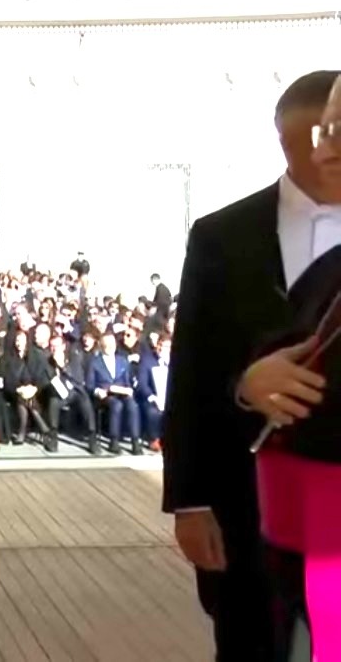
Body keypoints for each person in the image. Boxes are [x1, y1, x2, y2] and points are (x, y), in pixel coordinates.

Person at [162, 69, 341, 661]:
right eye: (306, 142)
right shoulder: (221, 235)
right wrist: (188, 502)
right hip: (247, 508)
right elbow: (190, 370)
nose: (323, 155)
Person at [245, 74, 341, 662]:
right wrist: (252, 383)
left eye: (336, 133)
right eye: (327, 130)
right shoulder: (330, 271)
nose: (323, 149)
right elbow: (274, 349)